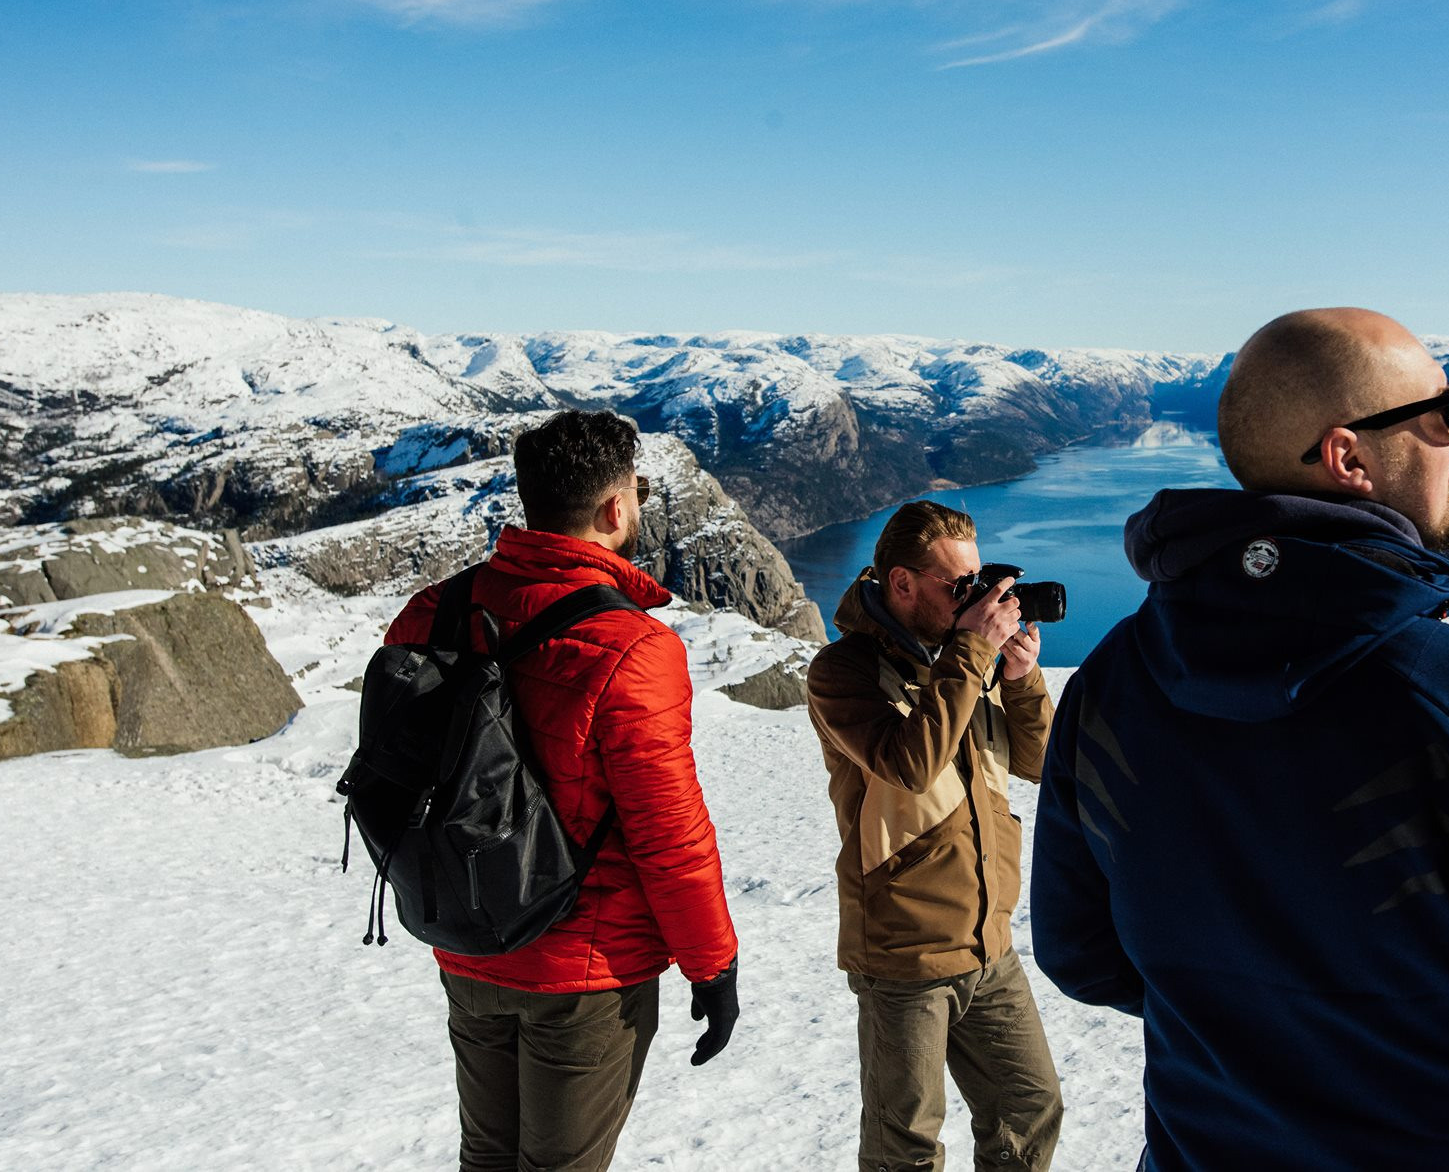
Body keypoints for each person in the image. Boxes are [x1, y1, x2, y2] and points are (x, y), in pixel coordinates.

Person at [1032, 308, 1449, 1171]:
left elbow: (1083, 956)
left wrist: (1239, 1019)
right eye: (1443, 414)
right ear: (1350, 458)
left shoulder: (1116, 680)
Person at [383, 409, 739, 1172]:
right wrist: (712, 966)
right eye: (636, 495)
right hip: (586, 969)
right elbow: (668, 832)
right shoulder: (633, 647)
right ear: (616, 509)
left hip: (467, 937)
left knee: (486, 1157)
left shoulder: (429, 613)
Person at [806, 501, 1064, 1170]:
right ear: (902, 584)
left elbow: (1041, 763)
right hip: (904, 954)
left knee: (1028, 1113)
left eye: (979, 581)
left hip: (989, 942)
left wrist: (1021, 679)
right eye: (959, 586)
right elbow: (909, 764)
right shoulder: (844, 672)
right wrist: (973, 653)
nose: (976, 598)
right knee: (906, 1146)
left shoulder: (964, 665)